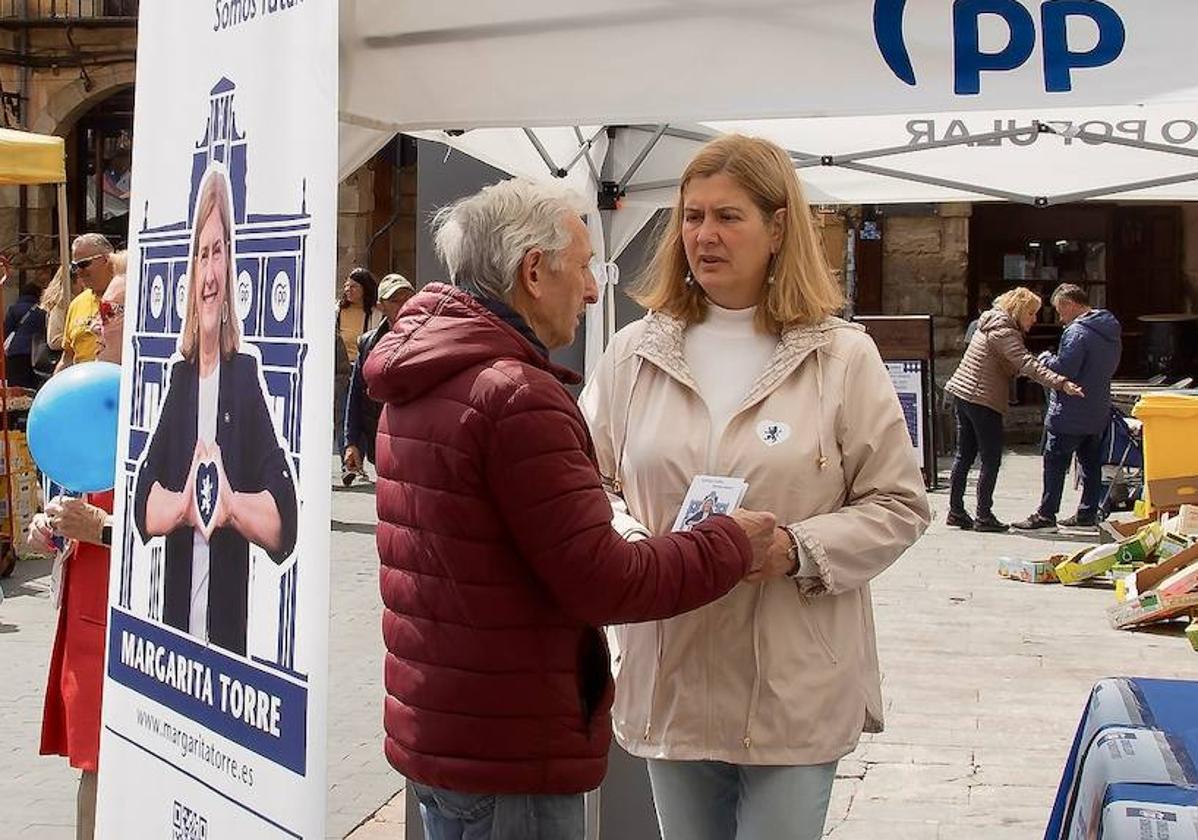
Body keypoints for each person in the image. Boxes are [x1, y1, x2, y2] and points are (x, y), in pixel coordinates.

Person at [363, 177, 779, 840]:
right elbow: (604, 582)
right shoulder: (515, 396)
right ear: (534, 271)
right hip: (509, 750)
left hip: (445, 729)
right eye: (585, 267)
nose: (593, 290)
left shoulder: (421, 372)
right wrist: (731, 542)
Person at [579, 134, 931, 840]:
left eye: (728, 217)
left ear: (777, 228)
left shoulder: (841, 356)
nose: (704, 235)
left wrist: (796, 549)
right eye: (692, 216)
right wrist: (642, 548)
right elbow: (593, 484)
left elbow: (898, 504)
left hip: (794, 682)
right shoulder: (634, 353)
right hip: (673, 668)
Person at [131, 166, 298, 657]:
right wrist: (183, 506)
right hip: (175, 642)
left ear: (230, 269)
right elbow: (145, 498)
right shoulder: (180, 378)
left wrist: (230, 508)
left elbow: (282, 518)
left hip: (227, 645)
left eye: (218, 252)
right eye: (201, 254)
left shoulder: (244, 376)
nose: (208, 273)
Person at [31, 269, 127, 840]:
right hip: (88, 615)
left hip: (128, 625)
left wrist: (103, 529)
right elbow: (81, 493)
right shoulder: (96, 392)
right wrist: (55, 525)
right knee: (92, 767)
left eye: (110, 313)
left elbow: (187, 531)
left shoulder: (169, 408)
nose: (95, 319)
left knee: (109, 768)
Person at [945, 287, 1084, 533]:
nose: (1034, 319)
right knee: (991, 459)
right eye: (1031, 313)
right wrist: (1061, 383)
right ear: (1019, 310)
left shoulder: (990, 322)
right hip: (981, 398)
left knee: (964, 455)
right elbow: (1026, 363)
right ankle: (983, 516)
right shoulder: (1004, 331)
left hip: (963, 393)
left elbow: (1012, 363)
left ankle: (956, 511)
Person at [1012, 284, 1122, 530]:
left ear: (1071, 304)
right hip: (1097, 408)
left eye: (1060, 310)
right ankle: (1087, 514)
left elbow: (1065, 368)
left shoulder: (1077, 332)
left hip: (1070, 411)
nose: (1060, 317)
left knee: (1055, 463)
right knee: (1091, 464)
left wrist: (1044, 358)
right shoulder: (1110, 329)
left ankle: (1046, 513)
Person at [341, 272, 414, 485]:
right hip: (381, 441)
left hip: (415, 443)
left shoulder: (426, 337)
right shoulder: (369, 343)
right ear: (381, 305)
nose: (403, 305)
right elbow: (356, 396)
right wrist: (351, 442)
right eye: (395, 300)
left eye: (407, 298)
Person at [334, 267, 380, 450]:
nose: (348, 290)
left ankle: (358, 456)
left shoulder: (375, 313)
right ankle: (348, 461)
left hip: (363, 369)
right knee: (343, 415)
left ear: (365, 289)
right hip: (341, 371)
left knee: (362, 416)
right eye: (346, 286)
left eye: (354, 287)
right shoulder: (337, 311)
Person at [57, 234, 115, 370]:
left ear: (107, 259)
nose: (78, 272)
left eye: (83, 264)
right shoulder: (77, 304)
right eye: (74, 266)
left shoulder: (128, 297)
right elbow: (67, 358)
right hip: (82, 386)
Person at [4, 274, 49, 389]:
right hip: (37, 354)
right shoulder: (42, 311)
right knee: (33, 387)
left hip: (15, 353)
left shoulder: (14, 309)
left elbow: (6, 330)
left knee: (16, 387)